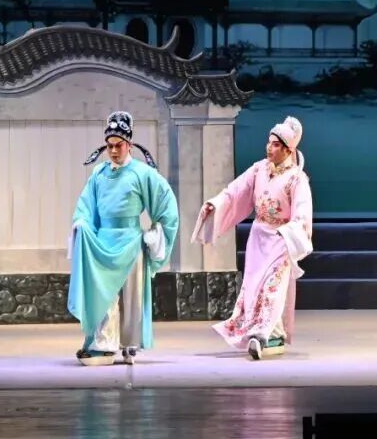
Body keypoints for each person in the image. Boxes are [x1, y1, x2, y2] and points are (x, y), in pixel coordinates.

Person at [192, 116, 313, 360]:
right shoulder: (259, 169)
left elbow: (302, 213)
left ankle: (262, 334)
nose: (269, 148)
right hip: (259, 238)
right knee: (254, 288)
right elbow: (235, 191)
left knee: (272, 288)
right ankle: (271, 332)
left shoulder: (296, 178)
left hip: (281, 239)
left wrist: (288, 233)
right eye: (269, 143)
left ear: (288, 150)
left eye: (276, 145)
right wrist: (216, 203)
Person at [67, 111, 179, 366]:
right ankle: (102, 344)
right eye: (109, 146)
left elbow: (166, 206)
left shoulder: (142, 173)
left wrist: (154, 234)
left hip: (130, 242)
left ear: (129, 144)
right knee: (102, 295)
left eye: (118, 145)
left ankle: (128, 344)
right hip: (103, 242)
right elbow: (86, 206)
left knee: (131, 298)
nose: (114, 151)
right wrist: (81, 223)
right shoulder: (99, 174)